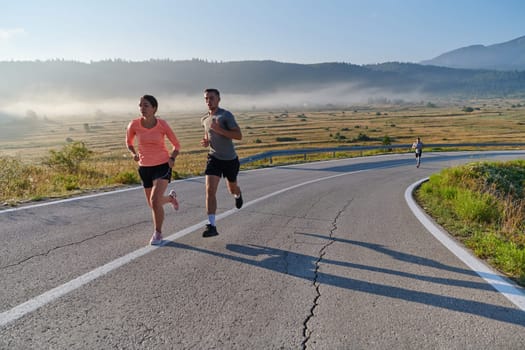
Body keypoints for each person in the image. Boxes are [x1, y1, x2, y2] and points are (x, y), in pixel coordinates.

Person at [126, 95, 181, 245]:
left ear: (154, 108)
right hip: (144, 167)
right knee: (153, 204)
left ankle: (158, 233)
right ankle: (170, 199)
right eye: (140, 105)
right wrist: (133, 153)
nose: (142, 108)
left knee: (155, 200)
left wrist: (172, 158)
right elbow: (129, 142)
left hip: (162, 165)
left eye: (146, 105)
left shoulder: (162, 124)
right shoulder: (134, 125)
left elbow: (176, 145)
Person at [200, 88, 243, 237]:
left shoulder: (226, 115)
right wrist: (206, 142)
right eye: (206, 98)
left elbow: (239, 135)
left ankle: (238, 195)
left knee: (232, 189)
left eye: (211, 98)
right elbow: (208, 135)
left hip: (230, 160)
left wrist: (221, 130)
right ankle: (211, 225)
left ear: (219, 99)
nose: (208, 101)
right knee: (210, 190)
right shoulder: (205, 119)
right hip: (214, 158)